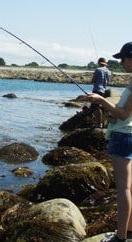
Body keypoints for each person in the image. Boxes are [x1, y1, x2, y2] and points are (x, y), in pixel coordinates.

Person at [87, 42, 132, 242]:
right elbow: (124, 114)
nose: (121, 62)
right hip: (127, 134)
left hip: (124, 138)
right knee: (130, 188)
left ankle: (120, 237)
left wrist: (101, 100)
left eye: (123, 58)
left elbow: (123, 114)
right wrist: (112, 113)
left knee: (123, 188)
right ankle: (129, 230)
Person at [90, 57, 111, 128]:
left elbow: (93, 80)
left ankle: (98, 124)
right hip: (103, 91)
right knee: (99, 107)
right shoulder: (109, 71)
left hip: (97, 90)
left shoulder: (97, 70)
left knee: (95, 107)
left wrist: (93, 82)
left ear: (99, 63)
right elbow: (108, 82)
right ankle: (100, 123)